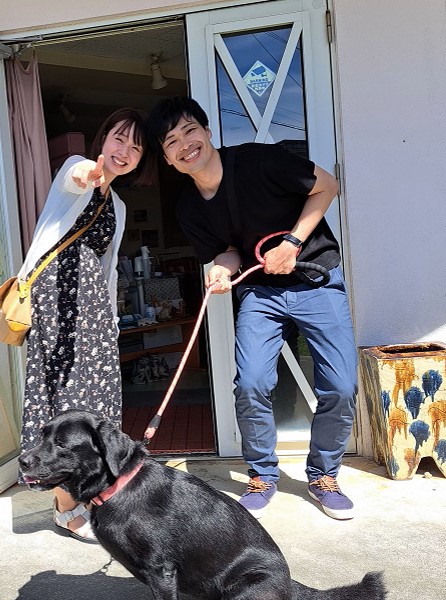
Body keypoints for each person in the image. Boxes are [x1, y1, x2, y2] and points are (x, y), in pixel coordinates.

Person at [147, 96, 357, 520]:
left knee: (340, 386)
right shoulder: (189, 207)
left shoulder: (260, 161)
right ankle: (262, 474)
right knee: (251, 384)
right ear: (168, 159)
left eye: (190, 130)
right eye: (171, 142)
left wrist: (292, 243)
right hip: (260, 292)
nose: (185, 144)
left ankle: (323, 476)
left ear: (208, 132)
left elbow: (327, 185)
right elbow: (227, 250)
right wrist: (221, 269)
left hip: (316, 279)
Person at [18, 109, 153, 540]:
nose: (125, 151)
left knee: (97, 404)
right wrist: (87, 174)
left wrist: (109, 319)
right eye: (119, 139)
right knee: (64, 401)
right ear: (103, 138)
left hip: (93, 309)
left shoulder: (118, 205)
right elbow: (75, 178)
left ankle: (92, 496)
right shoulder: (77, 168)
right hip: (59, 301)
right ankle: (64, 508)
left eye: (135, 147)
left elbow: (107, 265)